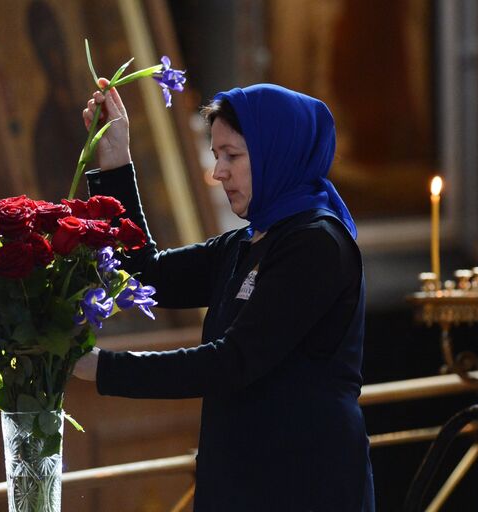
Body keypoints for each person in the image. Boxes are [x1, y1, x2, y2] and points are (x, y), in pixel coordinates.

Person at [74, 79, 375, 511]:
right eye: (217, 156)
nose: (219, 173)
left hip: (303, 484)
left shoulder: (316, 244)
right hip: (242, 478)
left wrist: (102, 368)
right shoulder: (246, 243)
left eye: (232, 155)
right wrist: (116, 160)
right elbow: (143, 272)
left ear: (276, 151)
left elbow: (232, 361)